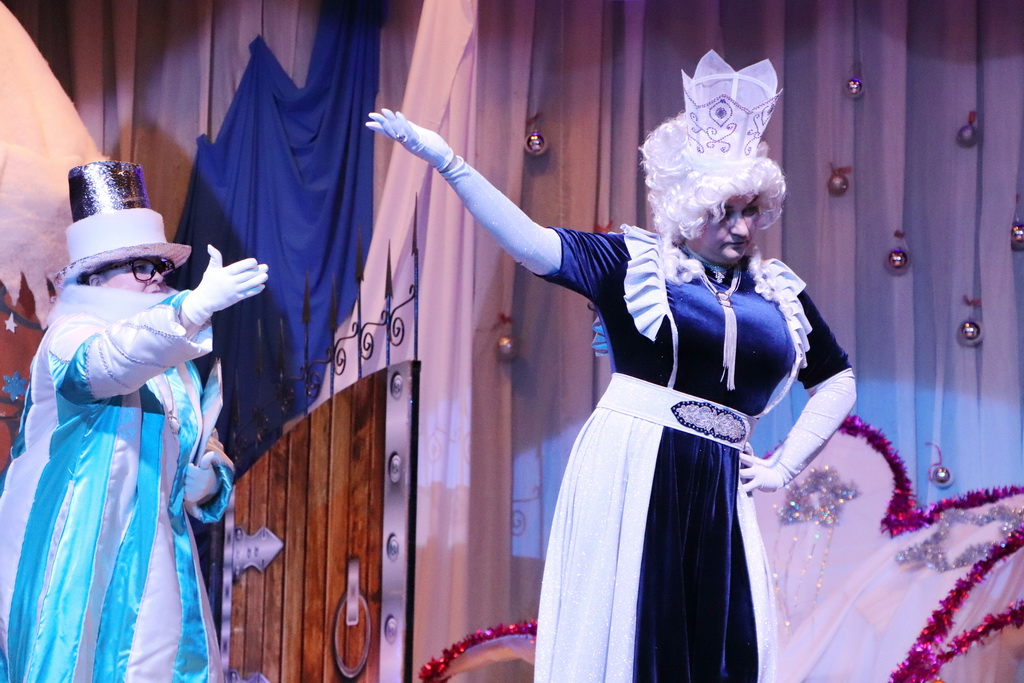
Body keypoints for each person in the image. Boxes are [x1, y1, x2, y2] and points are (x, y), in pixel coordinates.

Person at [368, 50, 856, 683]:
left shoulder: (776, 293)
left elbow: (837, 380)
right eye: (724, 211)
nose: (742, 228)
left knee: (721, 646)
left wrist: (784, 465)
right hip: (637, 463)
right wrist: (449, 163)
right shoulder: (633, 263)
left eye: (749, 211)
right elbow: (532, 243)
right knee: (629, 634)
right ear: (690, 208)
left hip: (720, 485)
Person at [0, 160, 268, 682]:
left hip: (159, 561)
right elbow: (106, 364)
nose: (157, 278)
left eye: (159, 267)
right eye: (142, 267)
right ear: (97, 277)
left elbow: (203, 436)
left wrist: (209, 476)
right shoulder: (71, 334)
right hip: (81, 563)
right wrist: (188, 312)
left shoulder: (174, 361)